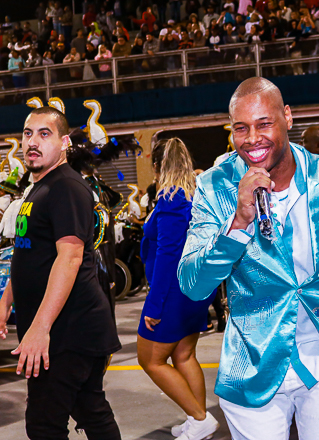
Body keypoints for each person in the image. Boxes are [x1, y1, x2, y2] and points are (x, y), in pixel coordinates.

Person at [178, 77, 319, 440]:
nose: (252, 139)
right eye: (241, 128)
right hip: (252, 364)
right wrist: (238, 223)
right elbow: (193, 285)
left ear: (287, 117)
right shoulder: (214, 187)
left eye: (263, 124)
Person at [0, 106, 121, 439]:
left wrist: (40, 328)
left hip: (70, 330)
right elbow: (29, 251)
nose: (33, 142)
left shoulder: (66, 187)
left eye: (44, 133)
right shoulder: (39, 188)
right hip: (63, 328)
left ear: (64, 142)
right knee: (90, 410)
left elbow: (69, 258)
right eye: (28, 134)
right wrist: (6, 300)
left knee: (43, 424)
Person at [137, 138, 220, 440]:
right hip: (194, 289)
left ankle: (200, 418)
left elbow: (167, 255)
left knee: (150, 360)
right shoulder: (197, 195)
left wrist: (155, 304)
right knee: (184, 356)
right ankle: (196, 419)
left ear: (157, 166)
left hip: (173, 291)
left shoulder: (171, 199)